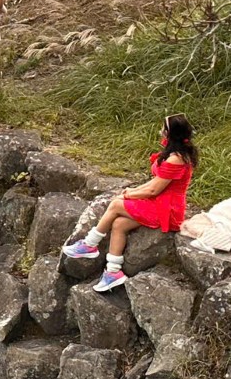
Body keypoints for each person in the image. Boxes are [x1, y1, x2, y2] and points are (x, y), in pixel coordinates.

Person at [63, 114, 199, 292]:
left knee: (116, 205)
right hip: (160, 203)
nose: (161, 131)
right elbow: (154, 183)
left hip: (167, 209)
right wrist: (133, 192)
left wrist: (129, 195)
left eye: (163, 128)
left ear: (170, 133)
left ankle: (90, 244)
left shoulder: (176, 159)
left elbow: (154, 190)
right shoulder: (177, 154)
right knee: (119, 224)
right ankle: (113, 272)